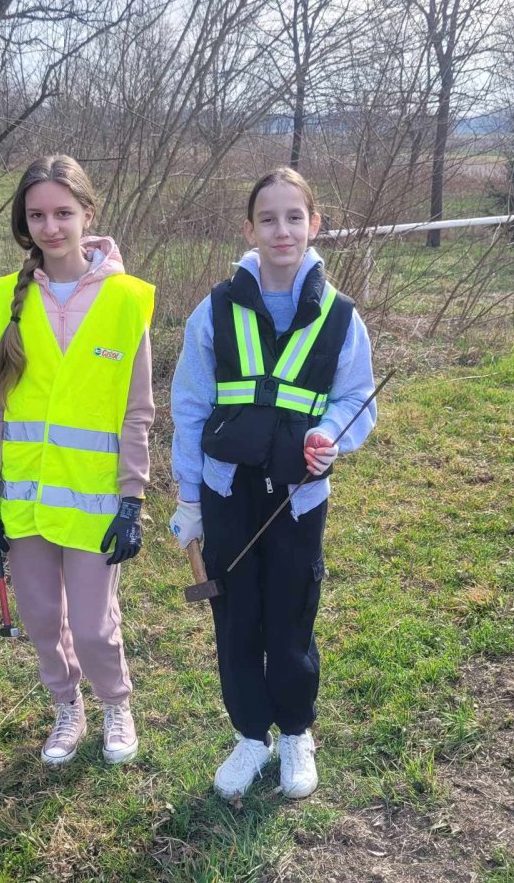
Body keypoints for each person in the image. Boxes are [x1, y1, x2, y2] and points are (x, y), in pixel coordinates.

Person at [169, 167, 376, 800]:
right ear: (249, 229)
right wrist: (187, 499)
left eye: (294, 217)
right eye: (267, 218)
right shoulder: (215, 309)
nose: (281, 230)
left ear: (314, 225)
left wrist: (330, 436)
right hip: (225, 493)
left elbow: (358, 398)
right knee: (235, 616)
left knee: (291, 609)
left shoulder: (341, 317)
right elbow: (189, 404)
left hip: (298, 496)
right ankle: (249, 736)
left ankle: (295, 733)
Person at [0, 155, 155, 767]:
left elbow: (137, 413)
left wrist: (132, 499)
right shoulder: (6, 299)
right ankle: (65, 707)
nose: (51, 227)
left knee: (96, 625)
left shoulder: (127, 301)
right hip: (22, 500)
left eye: (63, 213)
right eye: (37, 216)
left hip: (95, 500)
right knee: (43, 620)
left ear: (87, 214)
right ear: (25, 224)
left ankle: (114, 703)